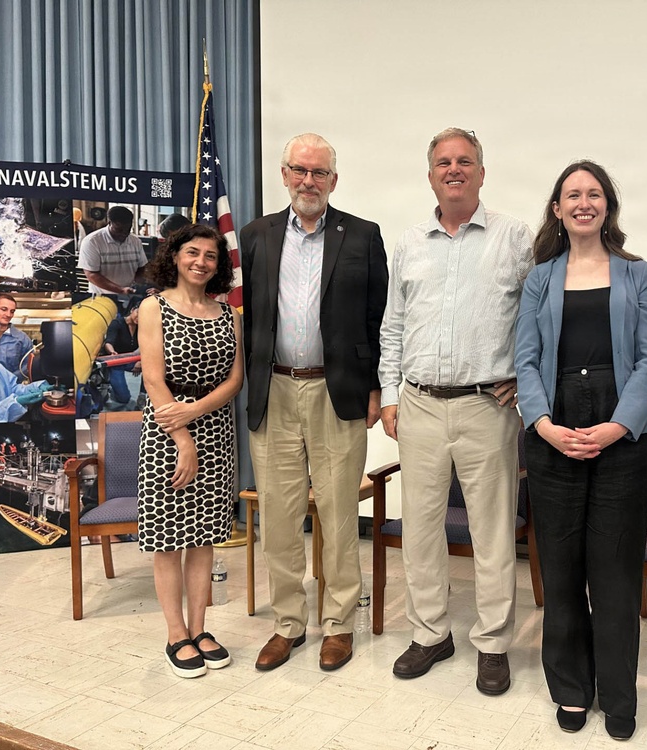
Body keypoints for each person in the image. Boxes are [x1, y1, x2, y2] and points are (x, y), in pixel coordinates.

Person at [378, 127, 533, 695]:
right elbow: (393, 325)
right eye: (443, 162)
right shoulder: (410, 243)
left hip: (485, 408)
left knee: (493, 534)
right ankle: (430, 633)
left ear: (481, 173)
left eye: (464, 161)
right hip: (418, 404)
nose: (454, 169)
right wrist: (390, 396)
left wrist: (525, 373)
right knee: (420, 531)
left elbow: (537, 317)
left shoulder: (515, 238)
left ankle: (492, 644)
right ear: (430, 176)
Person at [515, 161, 647, 738]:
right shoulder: (540, 278)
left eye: (594, 193)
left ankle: (619, 696)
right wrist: (543, 425)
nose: (583, 202)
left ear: (608, 206)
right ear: (557, 208)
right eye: (572, 194)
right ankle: (571, 688)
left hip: (619, 435)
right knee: (562, 565)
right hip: (553, 431)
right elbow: (525, 360)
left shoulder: (639, 274)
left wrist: (620, 425)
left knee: (616, 568)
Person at [240, 133, 388, 673]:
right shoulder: (255, 237)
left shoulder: (364, 236)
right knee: (277, 517)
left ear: (333, 180)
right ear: (284, 174)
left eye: (319, 173)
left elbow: (379, 319)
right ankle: (288, 624)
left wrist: (376, 386)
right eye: (299, 171)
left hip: (338, 390)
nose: (308, 181)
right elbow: (242, 317)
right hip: (273, 390)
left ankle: (340, 623)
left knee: (339, 512)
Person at [137, 223, 244, 679]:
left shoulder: (229, 315)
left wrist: (195, 412)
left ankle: (201, 630)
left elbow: (235, 379)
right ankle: (175, 634)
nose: (201, 262)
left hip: (216, 429)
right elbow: (153, 380)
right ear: (175, 257)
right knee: (168, 541)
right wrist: (182, 436)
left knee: (203, 540)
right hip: (165, 432)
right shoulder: (153, 306)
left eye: (211, 256)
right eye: (193, 253)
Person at [77, 206, 148, 297]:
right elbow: (91, 274)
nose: (124, 233)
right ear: (109, 223)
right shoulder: (92, 242)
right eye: (119, 230)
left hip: (129, 294)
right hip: (101, 297)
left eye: (128, 229)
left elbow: (141, 267)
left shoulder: (135, 241)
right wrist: (120, 290)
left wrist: (139, 283)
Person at [103, 297, 142, 408]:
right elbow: (108, 342)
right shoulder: (117, 323)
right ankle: (112, 389)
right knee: (124, 399)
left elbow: (148, 347)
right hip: (116, 363)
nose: (140, 318)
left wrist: (141, 361)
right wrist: (112, 352)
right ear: (132, 310)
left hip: (132, 360)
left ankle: (143, 395)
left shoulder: (143, 327)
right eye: (138, 313)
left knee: (154, 366)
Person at [0, 293, 34, 381]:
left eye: (12, 311)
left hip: (12, 389)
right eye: (4, 309)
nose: (8, 314)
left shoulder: (22, 339)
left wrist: (8, 380)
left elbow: (27, 366)